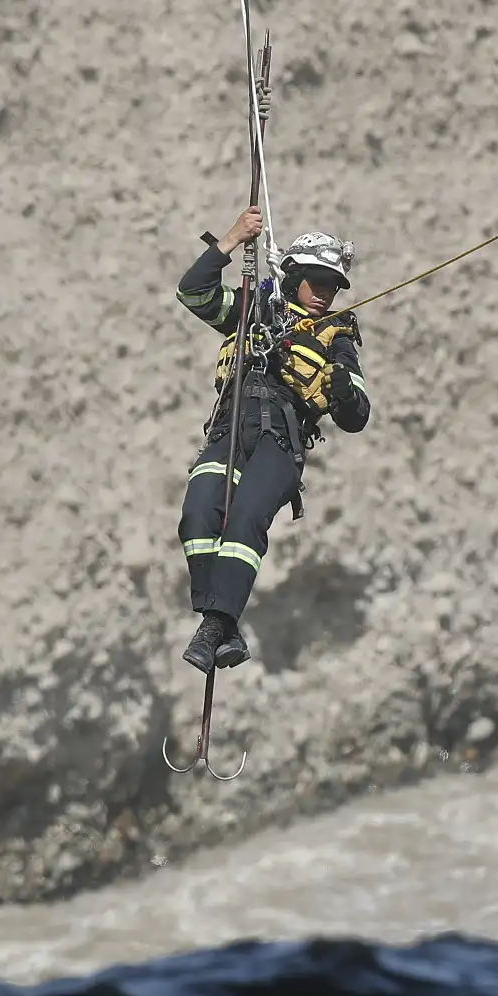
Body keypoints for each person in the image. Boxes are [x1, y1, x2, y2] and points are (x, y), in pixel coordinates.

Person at [172, 206, 372, 674]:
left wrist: (344, 389)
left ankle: (215, 623)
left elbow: (357, 414)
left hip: (280, 440)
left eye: (332, 287)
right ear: (293, 277)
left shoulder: (335, 336)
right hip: (227, 430)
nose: (324, 295)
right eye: (316, 282)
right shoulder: (254, 309)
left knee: (244, 519)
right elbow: (193, 292)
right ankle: (222, 626)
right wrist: (229, 239)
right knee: (197, 514)